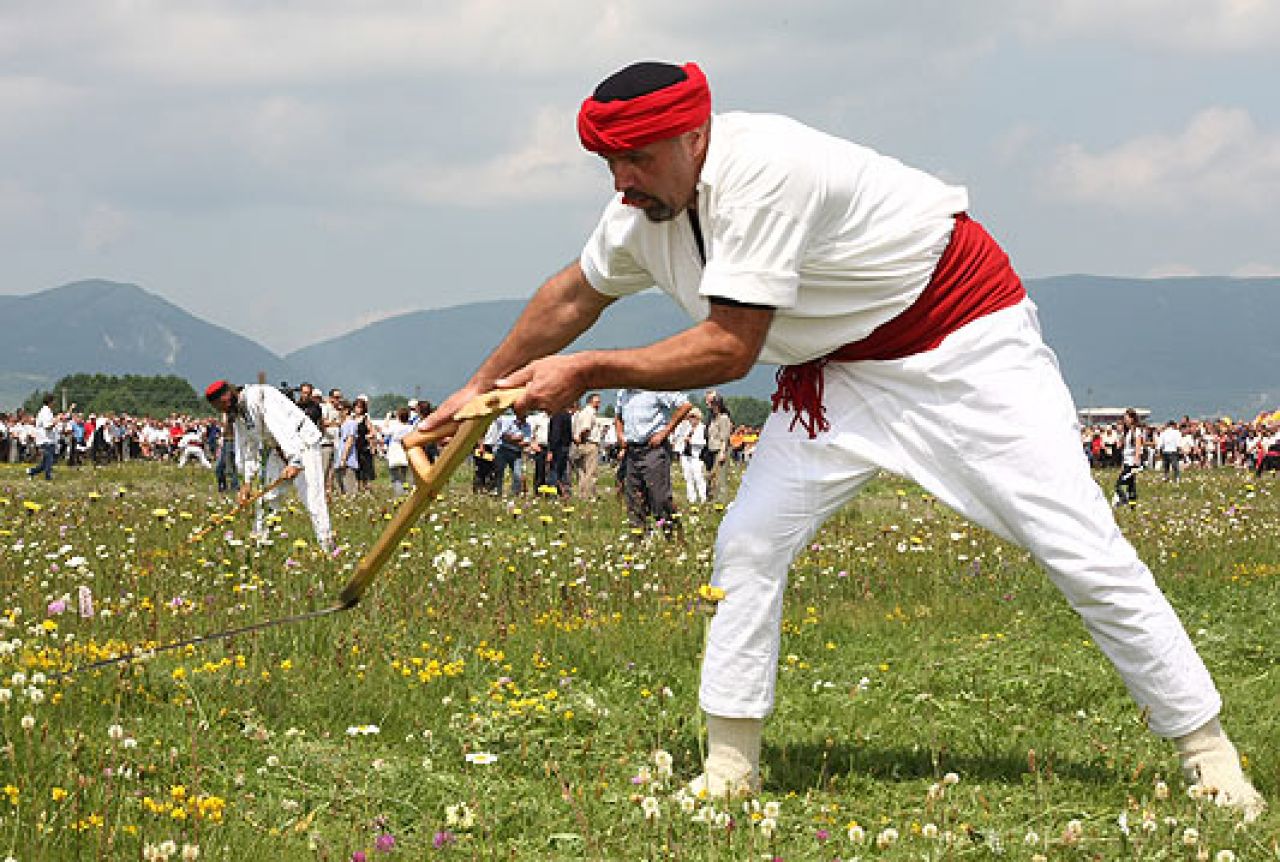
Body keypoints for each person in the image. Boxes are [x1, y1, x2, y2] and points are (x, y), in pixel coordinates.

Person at [420, 61, 1264, 815]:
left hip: (963, 344)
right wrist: (474, 387)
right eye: (609, 162)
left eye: (637, 159)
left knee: (1077, 543)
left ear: (695, 135)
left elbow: (730, 347)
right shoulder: (643, 214)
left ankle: (1209, 753)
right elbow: (572, 296)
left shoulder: (766, 172)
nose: (621, 181)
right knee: (747, 544)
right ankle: (729, 766)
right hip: (837, 375)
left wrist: (589, 372)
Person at [204, 380, 334, 552]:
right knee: (267, 499)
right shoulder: (236, 413)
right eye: (219, 408)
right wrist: (247, 482)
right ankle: (260, 547)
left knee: (312, 499)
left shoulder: (259, 396)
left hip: (303, 445)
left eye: (223, 404)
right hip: (277, 449)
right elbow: (246, 448)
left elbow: (282, 427)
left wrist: (294, 460)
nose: (224, 409)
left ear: (229, 394)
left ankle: (328, 549)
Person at [614, 389, 690, 533]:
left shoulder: (655, 388)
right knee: (633, 497)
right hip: (632, 450)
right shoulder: (622, 393)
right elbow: (618, 417)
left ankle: (672, 534)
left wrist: (665, 432)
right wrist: (620, 435)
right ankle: (639, 538)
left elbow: (685, 405)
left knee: (659, 497)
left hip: (653, 448)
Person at [671, 406, 708, 504]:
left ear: (698, 417)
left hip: (697, 456)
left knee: (698, 477)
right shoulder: (685, 427)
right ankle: (692, 499)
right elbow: (676, 436)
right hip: (685, 455)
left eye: (693, 417)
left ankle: (703, 498)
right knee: (688, 477)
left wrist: (692, 441)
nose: (690, 419)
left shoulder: (703, 428)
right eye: (689, 417)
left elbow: (705, 442)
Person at [570, 393, 604, 499]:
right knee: (590, 471)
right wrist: (583, 438)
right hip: (589, 443)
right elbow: (586, 429)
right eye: (596, 402)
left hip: (583, 443)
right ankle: (587, 495)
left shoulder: (582, 413)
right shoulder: (589, 413)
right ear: (590, 402)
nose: (599, 404)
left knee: (582, 472)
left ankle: (583, 494)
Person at [703, 390, 733, 500]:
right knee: (711, 478)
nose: (707, 404)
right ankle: (712, 500)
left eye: (709, 401)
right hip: (711, 451)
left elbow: (725, 437)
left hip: (720, 450)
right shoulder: (712, 418)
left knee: (721, 479)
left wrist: (722, 453)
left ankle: (721, 502)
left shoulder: (724, 418)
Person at [1113, 408, 1143, 507]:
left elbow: (1138, 445)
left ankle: (1124, 500)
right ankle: (1132, 507)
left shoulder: (1136, 431)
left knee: (1119, 484)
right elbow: (1120, 446)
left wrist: (1137, 459)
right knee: (1131, 486)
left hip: (1132, 463)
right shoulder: (1126, 432)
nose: (1125, 420)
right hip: (1126, 462)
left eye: (1126, 418)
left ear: (1132, 419)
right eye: (1124, 418)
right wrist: (1120, 435)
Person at [25, 395, 58, 481]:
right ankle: (48, 478)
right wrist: (56, 421)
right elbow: (47, 426)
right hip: (45, 440)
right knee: (49, 461)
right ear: (50, 402)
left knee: (44, 464)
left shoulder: (46, 411)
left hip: (47, 439)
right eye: (54, 401)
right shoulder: (45, 412)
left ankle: (31, 471)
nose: (55, 403)